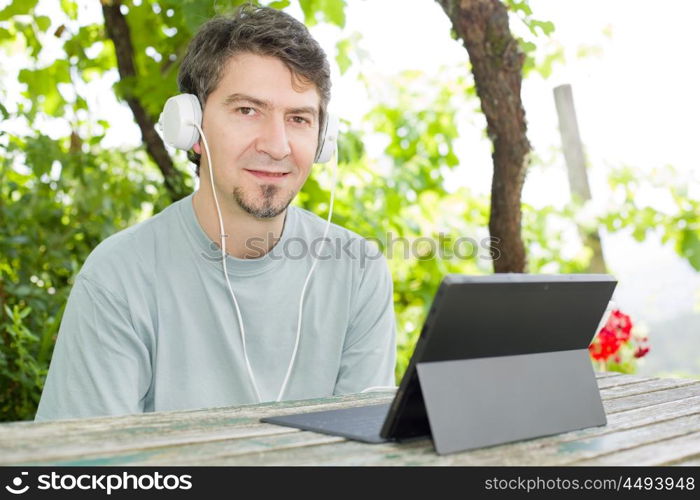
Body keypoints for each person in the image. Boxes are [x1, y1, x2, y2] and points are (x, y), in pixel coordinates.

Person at [35, 5, 396, 421]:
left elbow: (361, 459)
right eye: (248, 110)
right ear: (190, 128)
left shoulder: (358, 270)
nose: (277, 145)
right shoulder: (119, 276)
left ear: (322, 139)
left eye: (298, 118)